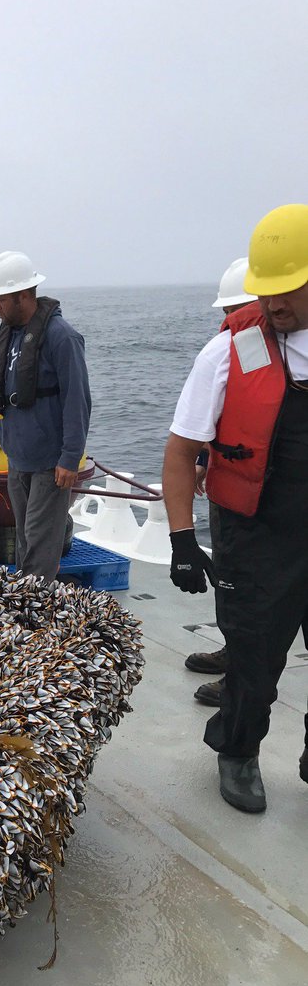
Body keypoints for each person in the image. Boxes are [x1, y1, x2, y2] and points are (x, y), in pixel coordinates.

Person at [162, 203, 308, 814]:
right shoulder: (227, 354)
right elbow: (180, 452)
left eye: (288, 291)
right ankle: (238, 751)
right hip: (257, 535)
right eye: (265, 292)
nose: (274, 306)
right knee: (253, 656)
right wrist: (180, 539)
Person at [0, 250, 92, 580]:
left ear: (22, 295)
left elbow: (78, 400)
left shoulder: (62, 338)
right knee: (24, 539)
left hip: (50, 463)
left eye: (0, 300)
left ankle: (36, 611)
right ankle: (26, 602)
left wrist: (70, 458)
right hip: (18, 459)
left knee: (39, 544)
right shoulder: (3, 337)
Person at [187, 256, 259, 707]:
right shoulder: (230, 349)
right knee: (229, 573)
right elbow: (219, 415)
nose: (227, 322)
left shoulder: (257, 352)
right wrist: (200, 458)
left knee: (247, 582)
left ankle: (242, 673)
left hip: (254, 495)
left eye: (231, 312)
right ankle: (233, 652)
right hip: (226, 482)